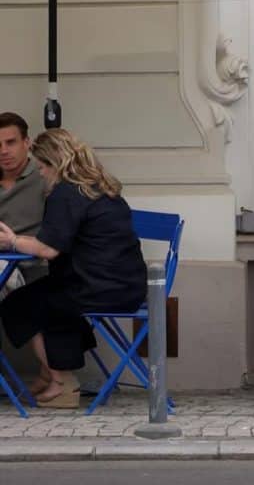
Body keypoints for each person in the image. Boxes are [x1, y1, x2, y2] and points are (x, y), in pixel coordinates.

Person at [0, 129, 146, 408]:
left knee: (20, 304)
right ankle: (49, 375)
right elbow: (57, 241)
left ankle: (61, 383)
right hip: (126, 285)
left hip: (97, 288)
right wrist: (18, 241)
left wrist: (12, 241)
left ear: (55, 164)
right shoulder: (98, 186)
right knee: (46, 295)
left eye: (42, 167)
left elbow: (48, 249)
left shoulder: (65, 193)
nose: (41, 173)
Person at [0, 113, 47, 295]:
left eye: (11, 142)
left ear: (27, 143)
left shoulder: (45, 175)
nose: (4, 151)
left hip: (34, 267)